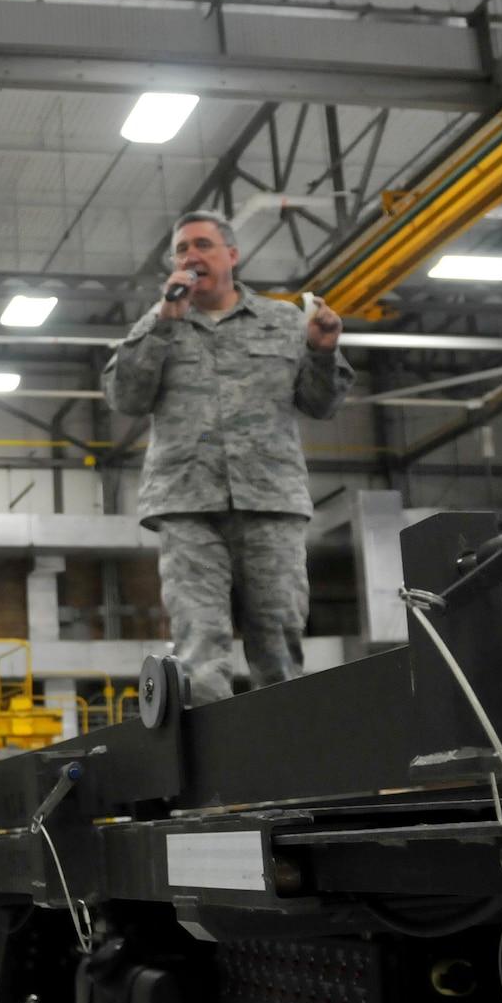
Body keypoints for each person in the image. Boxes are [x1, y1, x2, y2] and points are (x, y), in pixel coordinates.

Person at [101, 209, 353, 705]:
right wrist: (163, 324)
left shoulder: (285, 321)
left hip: (270, 501)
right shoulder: (157, 324)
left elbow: (321, 404)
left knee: (279, 638)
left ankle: (285, 765)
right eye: (180, 250)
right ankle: (212, 773)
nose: (190, 257)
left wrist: (323, 352)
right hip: (188, 505)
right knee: (199, 645)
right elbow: (125, 398)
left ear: (232, 255)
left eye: (202, 245)